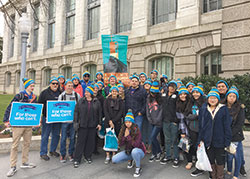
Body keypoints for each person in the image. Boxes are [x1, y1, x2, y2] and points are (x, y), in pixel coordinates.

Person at [4, 78, 37, 177]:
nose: (33, 87)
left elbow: (36, 110)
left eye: (33, 86)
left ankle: (24, 162)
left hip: (28, 125)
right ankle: (13, 166)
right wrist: (6, 120)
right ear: (26, 86)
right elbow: (10, 107)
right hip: (18, 125)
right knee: (15, 145)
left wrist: (36, 121)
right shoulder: (19, 96)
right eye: (31, 86)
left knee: (27, 144)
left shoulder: (34, 97)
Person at [197, 89, 232, 179]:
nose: (212, 100)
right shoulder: (203, 109)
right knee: (210, 159)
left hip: (220, 140)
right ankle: (213, 176)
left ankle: (220, 176)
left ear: (218, 99)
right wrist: (200, 139)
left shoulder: (223, 109)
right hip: (208, 140)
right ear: (208, 99)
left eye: (214, 98)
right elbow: (201, 126)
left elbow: (227, 126)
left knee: (220, 160)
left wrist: (227, 140)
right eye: (210, 98)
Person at [73, 86, 102, 168]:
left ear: (91, 93)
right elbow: (76, 112)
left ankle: (87, 156)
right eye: (85, 92)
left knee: (90, 142)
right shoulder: (81, 101)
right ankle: (77, 159)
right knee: (80, 142)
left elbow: (99, 113)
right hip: (82, 125)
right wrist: (76, 122)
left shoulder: (96, 101)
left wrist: (99, 123)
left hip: (92, 125)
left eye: (88, 92)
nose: (86, 93)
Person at [112, 110, 146, 178]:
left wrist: (128, 136)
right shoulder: (124, 129)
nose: (127, 124)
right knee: (114, 159)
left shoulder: (136, 130)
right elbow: (120, 144)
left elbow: (136, 145)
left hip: (139, 151)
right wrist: (124, 137)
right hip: (129, 151)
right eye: (126, 122)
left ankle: (138, 168)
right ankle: (131, 159)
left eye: (129, 122)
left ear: (132, 122)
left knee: (135, 151)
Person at [39, 77, 62, 161]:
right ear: (50, 84)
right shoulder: (44, 93)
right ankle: (43, 153)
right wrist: (40, 117)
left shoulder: (61, 93)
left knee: (56, 135)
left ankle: (52, 150)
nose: (55, 85)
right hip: (47, 118)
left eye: (56, 84)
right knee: (45, 135)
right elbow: (40, 105)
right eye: (53, 83)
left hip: (57, 118)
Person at [58, 79, 80, 163]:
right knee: (63, 138)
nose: (70, 87)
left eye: (71, 86)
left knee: (73, 138)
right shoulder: (61, 96)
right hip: (64, 121)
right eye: (68, 85)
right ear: (65, 86)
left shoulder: (77, 95)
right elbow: (58, 108)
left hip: (73, 121)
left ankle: (71, 153)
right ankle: (63, 154)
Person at [225, 87, 245, 179]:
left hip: (236, 136)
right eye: (230, 96)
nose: (232, 98)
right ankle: (229, 171)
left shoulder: (240, 108)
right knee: (229, 156)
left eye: (234, 96)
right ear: (227, 97)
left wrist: (229, 135)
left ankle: (236, 174)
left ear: (236, 98)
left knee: (237, 157)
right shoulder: (223, 107)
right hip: (226, 136)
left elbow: (239, 124)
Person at [103, 86, 125, 164]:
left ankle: (114, 154)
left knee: (115, 138)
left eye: (116, 91)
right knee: (108, 138)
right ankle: (107, 155)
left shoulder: (121, 101)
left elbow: (121, 112)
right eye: (113, 91)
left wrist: (114, 121)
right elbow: (105, 111)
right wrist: (110, 121)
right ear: (111, 92)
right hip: (108, 122)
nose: (114, 93)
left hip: (117, 122)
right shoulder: (106, 100)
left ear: (118, 92)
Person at [160, 80, 179, 168]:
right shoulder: (164, 95)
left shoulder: (177, 96)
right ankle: (168, 156)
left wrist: (176, 120)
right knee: (167, 140)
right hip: (165, 121)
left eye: (173, 86)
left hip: (173, 121)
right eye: (170, 86)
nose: (171, 88)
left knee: (174, 140)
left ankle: (176, 157)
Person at [175, 87, 192, 169]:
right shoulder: (178, 104)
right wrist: (183, 132)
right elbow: (180, 120)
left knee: (194, 145)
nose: (183, 96)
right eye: (181, 94)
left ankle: (194, 158)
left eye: (185, 94)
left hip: (192, 127)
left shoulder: (191, 103)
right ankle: (189, 161)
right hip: (184, 128)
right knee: (185, 144)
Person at [146, 81, 163, 162]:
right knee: (152, 138)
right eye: (152, 92)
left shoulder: (160, 99)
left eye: (155, 93)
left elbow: (161, 111)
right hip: (151, 121)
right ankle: (154, 153)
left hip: (158, 122)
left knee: (153, 137)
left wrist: (157, 119)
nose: (153, 94)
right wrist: (149, 118)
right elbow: (147, 109)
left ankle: (159, 151)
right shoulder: (148, 98)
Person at [142, 80, 152, 153]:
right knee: (143, 130)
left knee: (150, 130)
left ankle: (150, 145)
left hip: (151, 114)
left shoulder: (152, 94)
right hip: (143, 114)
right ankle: (144, 145)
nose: (147, 85)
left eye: (149, 84)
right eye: (146, 84)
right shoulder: (141, 93)